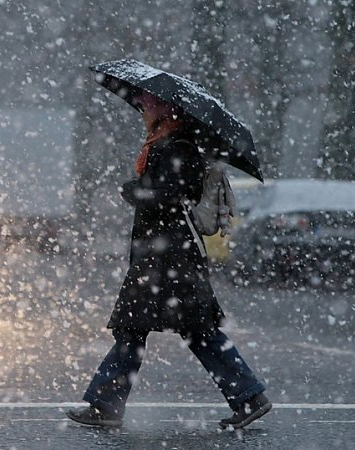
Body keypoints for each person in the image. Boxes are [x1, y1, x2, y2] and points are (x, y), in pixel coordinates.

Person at [65, 89, 272, 430]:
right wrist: (142, 189)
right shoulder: (167, 143)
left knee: (174, 329)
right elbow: (166, 192)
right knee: (148, 330)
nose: (144, 106)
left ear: (168, 109)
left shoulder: (180, 147)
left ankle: (248, 396)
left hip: (172, 257)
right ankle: (107, 406)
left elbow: (173, 197)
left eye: (150, 102)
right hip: (162, 256)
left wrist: (137, 191)